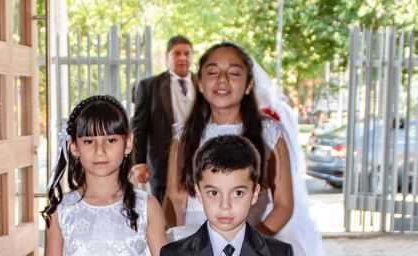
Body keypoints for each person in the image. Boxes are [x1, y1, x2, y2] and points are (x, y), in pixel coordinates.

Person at [164, 42, 323, 256]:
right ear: (200, 82)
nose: (222, 80)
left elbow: (284, 204)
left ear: (248, 83)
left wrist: (246, 245)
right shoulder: (183, 134)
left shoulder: (270, 133)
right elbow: (174, 197)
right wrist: (180, 237)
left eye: (234, 73)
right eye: (212, 72)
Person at [41, 95, 167, 256]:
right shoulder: (60, 211)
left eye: (111, 140)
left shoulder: (147, 207)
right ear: (73, 146)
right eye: (88, 141)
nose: (100, 151)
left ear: (127, 143)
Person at [160, 135, 293, 256]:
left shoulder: (280, 253)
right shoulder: (173, 253)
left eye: (237, 193)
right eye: (214, 193)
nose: (225, 205)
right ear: (199, 193)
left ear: (254, 193)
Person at [131, 35, 195, 203]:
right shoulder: (149, 86)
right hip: (163, 164)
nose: (183, 58)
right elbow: (139, 127)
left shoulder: (202, 84)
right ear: (167, 57)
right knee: (165, 212)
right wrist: (139, 162)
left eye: (187, 53)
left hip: (198, 161)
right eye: (177, 53)